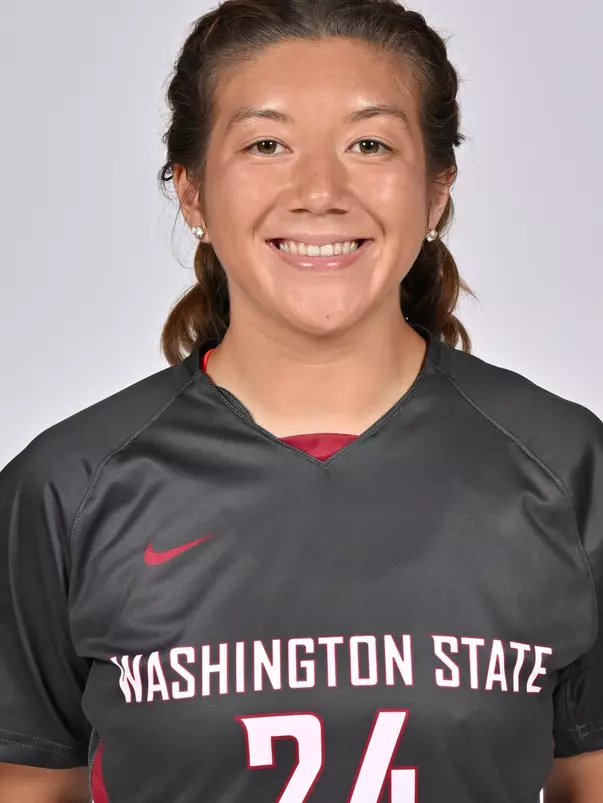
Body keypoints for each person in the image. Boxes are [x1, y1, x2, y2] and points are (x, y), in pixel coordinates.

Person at [0, 0, 602, 800]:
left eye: (368, 144)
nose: (320, 190)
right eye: (266, 144)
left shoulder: (566, 469)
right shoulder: (66, 488)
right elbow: (30, 782)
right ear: (191, 193)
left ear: (434, 191)